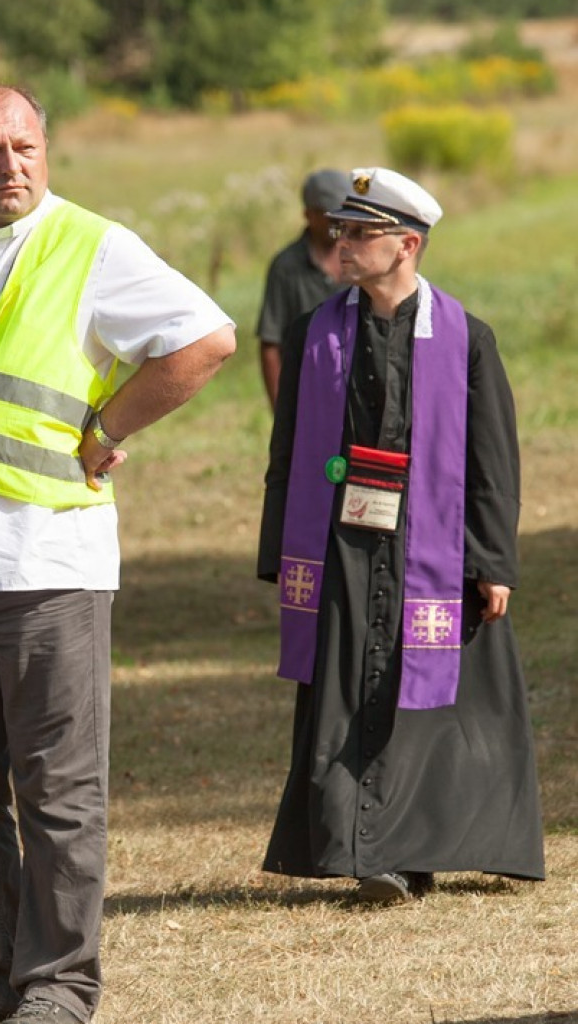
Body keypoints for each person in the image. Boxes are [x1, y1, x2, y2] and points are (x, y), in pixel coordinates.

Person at [0, 84, 236, 1024]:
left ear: (46, 149)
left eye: (26, 146)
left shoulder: (95, 246)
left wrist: (111, 426)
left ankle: (60, 989)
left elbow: (207, 339)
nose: (12, 165)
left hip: (46, 569)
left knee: (58, 797)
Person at [257, 167, 544, 904]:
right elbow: (286, 451)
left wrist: (493, 560)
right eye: (340, 230)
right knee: (346, 693)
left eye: (360, 233)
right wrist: (278, 550)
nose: (342, 243)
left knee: (431, 704)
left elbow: (492, 460)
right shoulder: (313, 333)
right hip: (340, 548)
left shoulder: (466, 339)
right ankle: (362, 851)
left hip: (433, 548)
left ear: (407, 245)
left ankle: (413, 850)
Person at [256, 168, 348, 408]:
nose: (339, 223)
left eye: (345, 214)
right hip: (307, 396)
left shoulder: (360, 260)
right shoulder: (286, 267)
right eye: (331, 216)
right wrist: (282, 411)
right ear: (309, 215)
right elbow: (270, 343)